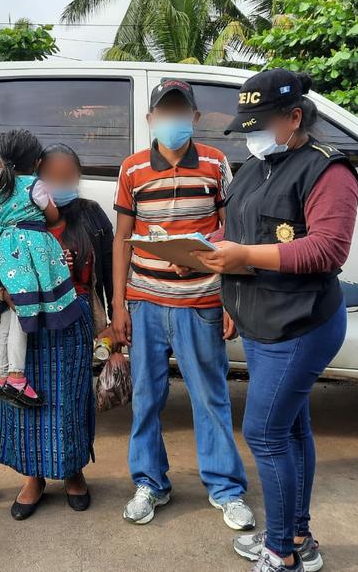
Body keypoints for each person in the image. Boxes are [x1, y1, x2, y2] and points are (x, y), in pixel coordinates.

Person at [189, 69, 358, 572]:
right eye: (246, 124)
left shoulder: (329, 171)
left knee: (264, 433)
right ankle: (297, 535)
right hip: (262, 322)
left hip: (300, 324)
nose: (251, 133)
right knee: (289, 429)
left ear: (295, 117)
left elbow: (328, 249)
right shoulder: (253, 167)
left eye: (261, 122)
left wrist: (243, 254)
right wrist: (200, 249)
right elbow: (236, 229)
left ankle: (281, 552)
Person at [111, 79, 255, 530]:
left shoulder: (215, 163)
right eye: (164, 112)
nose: (173, 120)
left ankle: (226, 489)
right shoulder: (132, 169)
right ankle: (150, 483)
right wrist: (118, 304)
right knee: (147, 399)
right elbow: (121, 239)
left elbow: (230, 231)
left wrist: (229, 296)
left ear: (194, 118)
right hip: (145, 302)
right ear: (151, 119)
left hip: (202, 301)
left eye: (181, 112)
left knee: (210, 397)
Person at [0, 142, 115, 520]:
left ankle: (73, 471)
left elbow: (108, 273)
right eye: (53, 176)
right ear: (37, 176)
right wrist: (1, 290)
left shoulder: (91, 216)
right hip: (28, 325)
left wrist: (112, 324)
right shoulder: (19, 210)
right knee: (26, 400)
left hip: (72, 321)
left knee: (70, 400)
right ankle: (33, 477)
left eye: (69, 176)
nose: (62, 182)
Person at [0, 130, 83, 407]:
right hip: (25, 256)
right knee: (24, 314)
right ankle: (17, 377)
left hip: (0, 253)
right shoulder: (36, 186)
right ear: (36, 163)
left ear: (0, 162)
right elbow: (52, 215)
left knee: (9, 318)